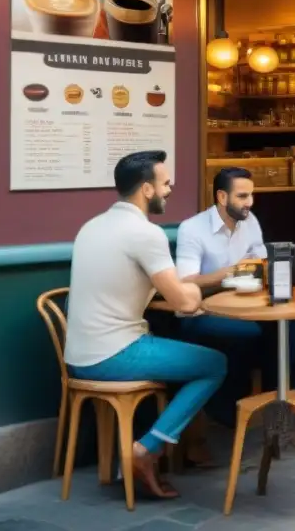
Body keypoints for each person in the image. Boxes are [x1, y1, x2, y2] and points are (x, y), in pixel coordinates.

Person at [65, 151, 226, 499]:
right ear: (146, 189)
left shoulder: (90, 226)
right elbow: (183, 302)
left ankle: (152, 448)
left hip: (77, 355)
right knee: (215, 363)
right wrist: (196, 290)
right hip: (115, 354)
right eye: (165, 183)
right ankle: (147, 450)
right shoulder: (145, 233)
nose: (170, 189)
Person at [175, 167, 295, 428]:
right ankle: (242, 413)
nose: (249, 202)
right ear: (222, 197)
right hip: (203, 314)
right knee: (253, 334)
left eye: (251, 195)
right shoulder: (192, 229)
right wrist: (226, 274)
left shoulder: (250, 222)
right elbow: (184, 283)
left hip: (249, 308)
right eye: (242, 196)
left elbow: (262, 262)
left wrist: (272, 267)